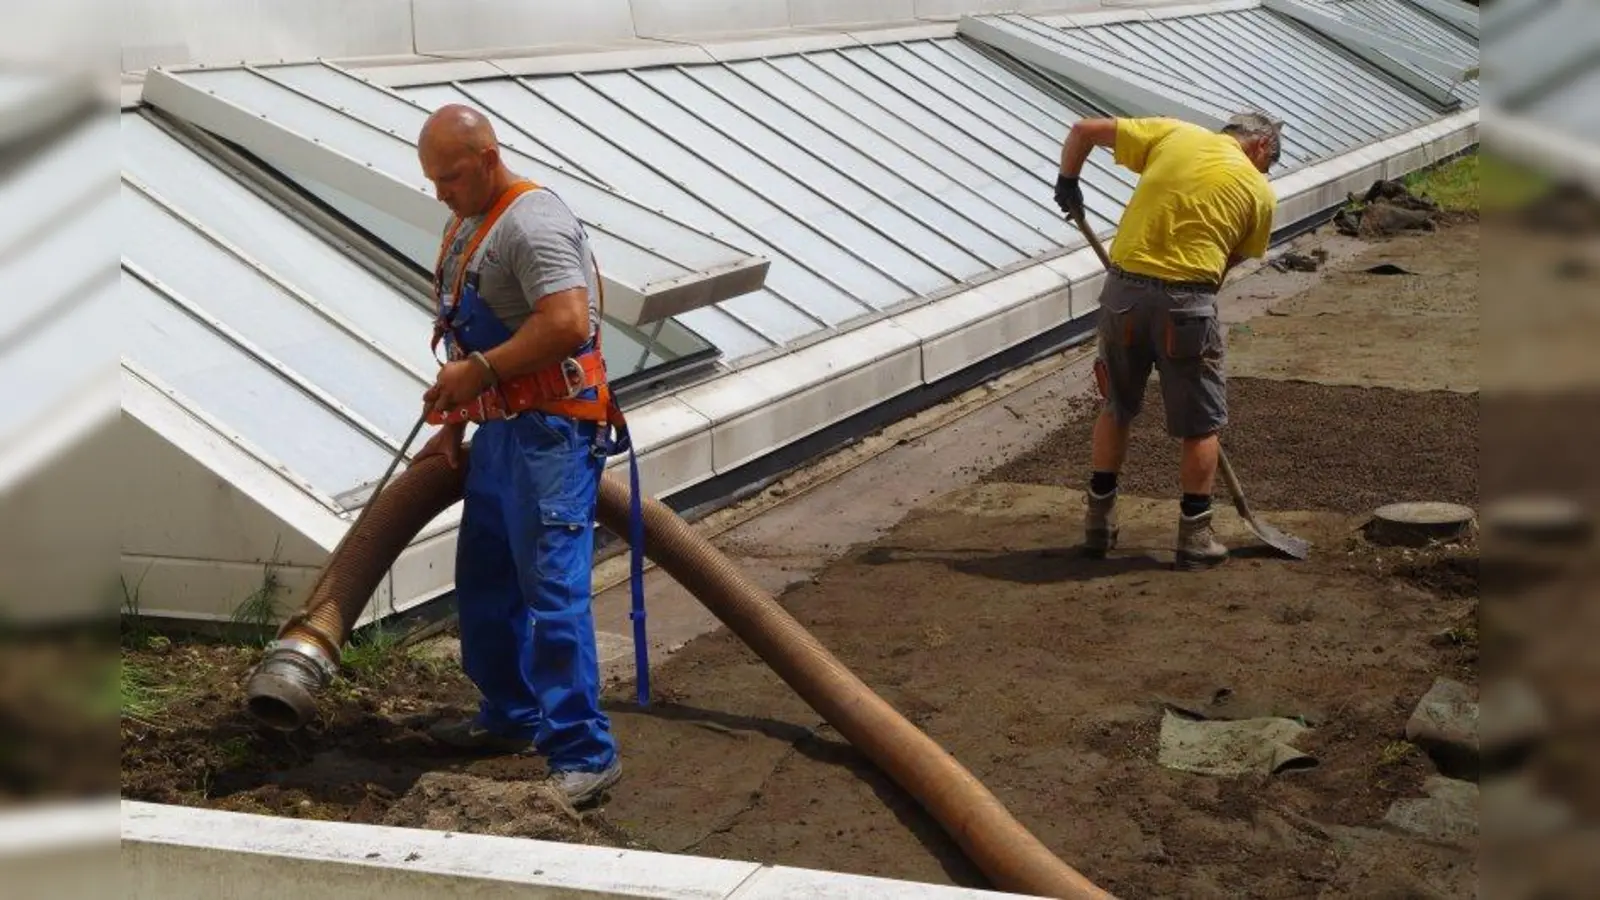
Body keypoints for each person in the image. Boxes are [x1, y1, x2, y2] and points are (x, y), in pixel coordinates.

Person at [413, 103, 623, 805]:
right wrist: (458, 416)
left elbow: (565, 322)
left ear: (487, 157)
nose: (440, 193)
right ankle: (510, 714)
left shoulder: (532, 223)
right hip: (503, 432)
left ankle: (584, 753)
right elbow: (473, 336)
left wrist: (479, 375)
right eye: (433, 182)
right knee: (485, 586)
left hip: (553, 437)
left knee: (552, 596)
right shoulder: (471, 222)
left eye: (449, 178)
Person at [1053, 111, 1283, 570]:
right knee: (1200, 425)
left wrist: (1068, 181)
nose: (1263, 173)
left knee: (1116, 406)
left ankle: (1098, 524)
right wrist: (1186, 294)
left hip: (1123, 295)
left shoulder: (1175, 133)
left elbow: (1082, 130)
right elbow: (1226, 262)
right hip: (1188, 302)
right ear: (1260, 147)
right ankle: (1195, 537)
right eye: (1267, 163)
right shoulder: (1259, 192)